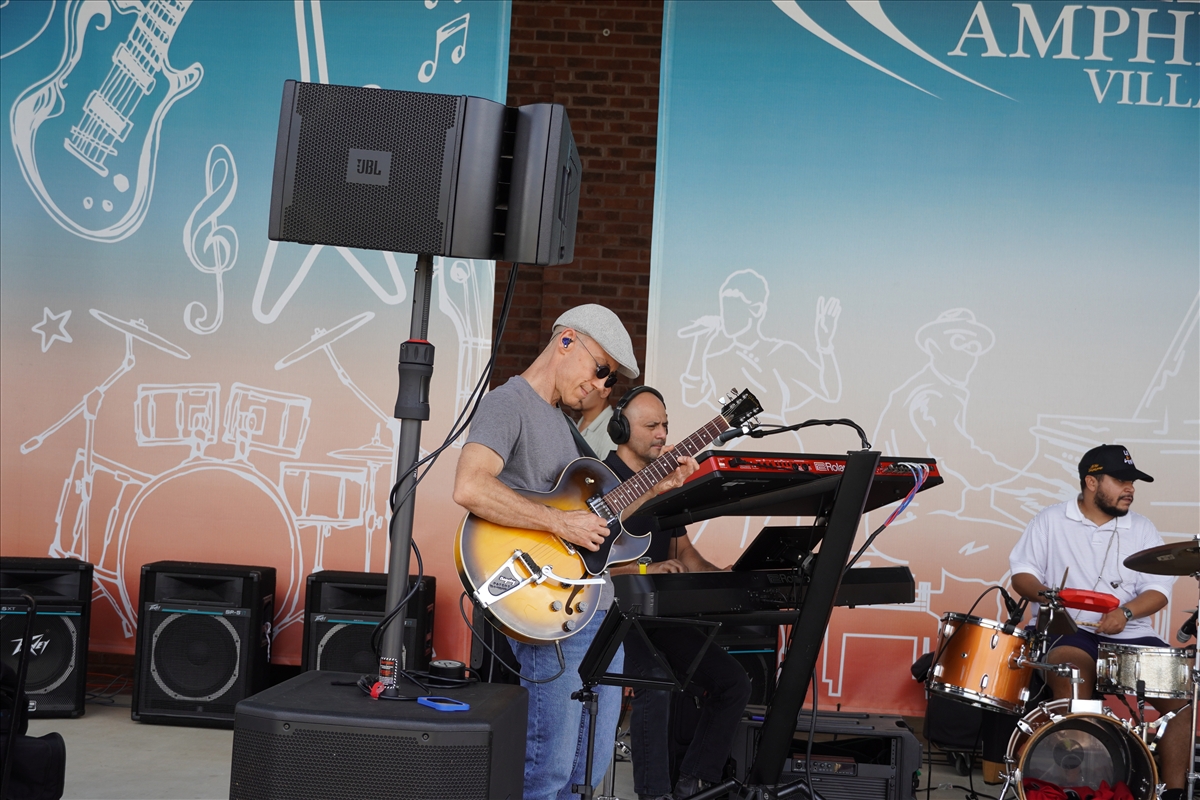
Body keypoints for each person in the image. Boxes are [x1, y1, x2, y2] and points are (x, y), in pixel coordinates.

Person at [453, 304, 696, 800]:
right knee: (548, 770)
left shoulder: (564, 426)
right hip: (548, 604)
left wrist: (658, 488)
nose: (603, 387)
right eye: (601, 369)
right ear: (566, 341)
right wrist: (559, 522)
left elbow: (599, 521)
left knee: (589, 771)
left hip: (597, 611)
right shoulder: (508, 403)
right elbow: (470, 486)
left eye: (611, 380)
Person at [1010, 444, 1192, 798]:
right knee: (1072, 677)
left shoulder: (1142, 528)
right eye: (1121, 480)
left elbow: (1158, 591)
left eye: (1132, 482)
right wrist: (1050, 596)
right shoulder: (1051, 519)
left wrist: (1125, 613)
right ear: (1091, 482)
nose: (1130, 489)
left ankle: (1173, 793)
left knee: (1183, 699)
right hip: (1068, 630)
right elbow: (1022, 575)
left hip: (1130, 634)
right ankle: (1076, 789)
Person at [606, 386, 753, 800]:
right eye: (651, 425)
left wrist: (722, 577)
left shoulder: (663, 482)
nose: (661, 434)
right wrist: (644, 569)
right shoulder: (601, 480)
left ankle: (695, 781)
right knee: (654, 681)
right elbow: (588, 562)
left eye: (665, 425)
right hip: (613, 615)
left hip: (658, 613)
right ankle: (654, 794)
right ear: (621, 429)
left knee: (733, 682)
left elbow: (683, 552)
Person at [577, 382, 616, 459]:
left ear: (604, 391)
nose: (577, 392)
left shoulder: (611, 432)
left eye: (583, 388)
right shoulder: (582, 421)